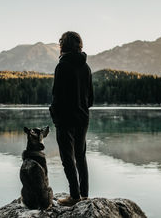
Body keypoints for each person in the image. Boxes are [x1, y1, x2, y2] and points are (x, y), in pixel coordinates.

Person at [49, 31, 94, 206]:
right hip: (83, 118)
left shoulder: (62, 66)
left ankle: (74, 196)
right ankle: (84, 195)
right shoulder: (86, 67)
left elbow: (57, 95)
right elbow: (90, 98)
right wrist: (81, 108)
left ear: (63, 46)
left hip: (65, 120)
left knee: (68, 158)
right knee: (81, 156)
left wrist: (55, 115)